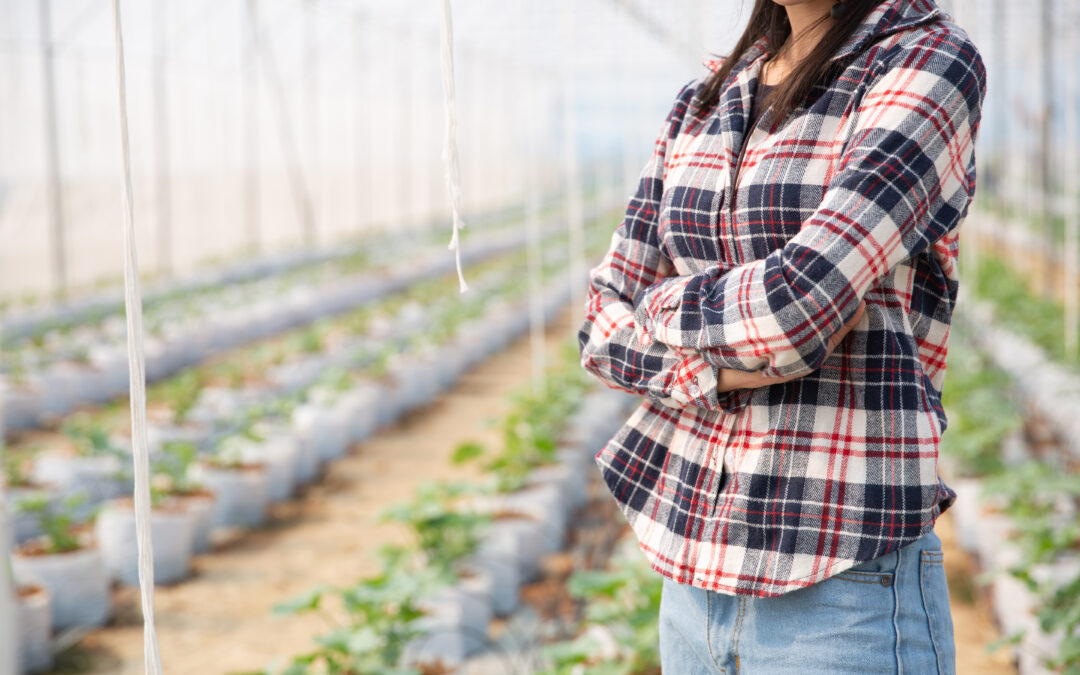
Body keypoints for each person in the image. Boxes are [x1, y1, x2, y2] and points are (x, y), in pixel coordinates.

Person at [577, 0, 986, 672]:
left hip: (838, 582)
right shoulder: (706, 98)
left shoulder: (924, 61)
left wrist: (656, 307)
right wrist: (721, 369)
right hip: (690, 574)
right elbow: (600, 319)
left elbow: (798, 308)